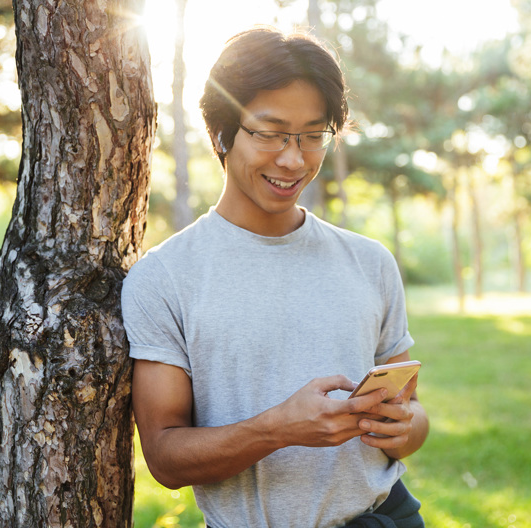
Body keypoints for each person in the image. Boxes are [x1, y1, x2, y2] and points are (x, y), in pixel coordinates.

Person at [121, 26, 428, 528]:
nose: (294, 158)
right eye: (269, 132)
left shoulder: (370, 261)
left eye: (313, 135)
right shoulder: (164, 278)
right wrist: (277, 430)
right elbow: (165, 457)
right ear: (222, 132)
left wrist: (404, 428)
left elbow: (414, 418)